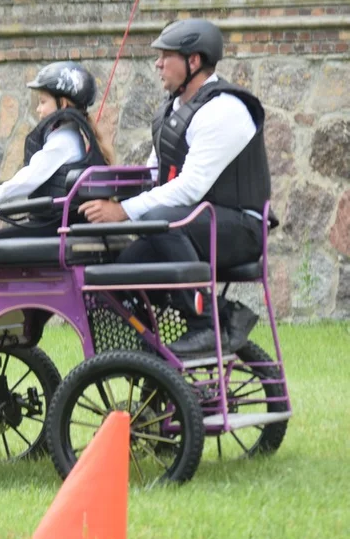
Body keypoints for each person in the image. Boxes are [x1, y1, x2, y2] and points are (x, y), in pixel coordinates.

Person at [78, 19, 269, 356]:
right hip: (192, 227)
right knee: (115, 277)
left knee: (162, 219)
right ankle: (154, 360)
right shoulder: (174, 111)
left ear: (193, 61)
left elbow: (189, 188)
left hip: (240, 228)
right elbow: (152, 175)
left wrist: (121, 212)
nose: (158, 63)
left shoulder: (224, 109)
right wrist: (102, 189)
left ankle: (210, 323)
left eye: (166, 56)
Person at [0, 61, 114, 239]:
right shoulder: (68, 135)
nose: (38, 109)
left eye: (43, 102)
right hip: (58, 220)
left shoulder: (64, 140)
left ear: (64, 103)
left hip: (57, 224)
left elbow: (31, 177)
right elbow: (40, 174)